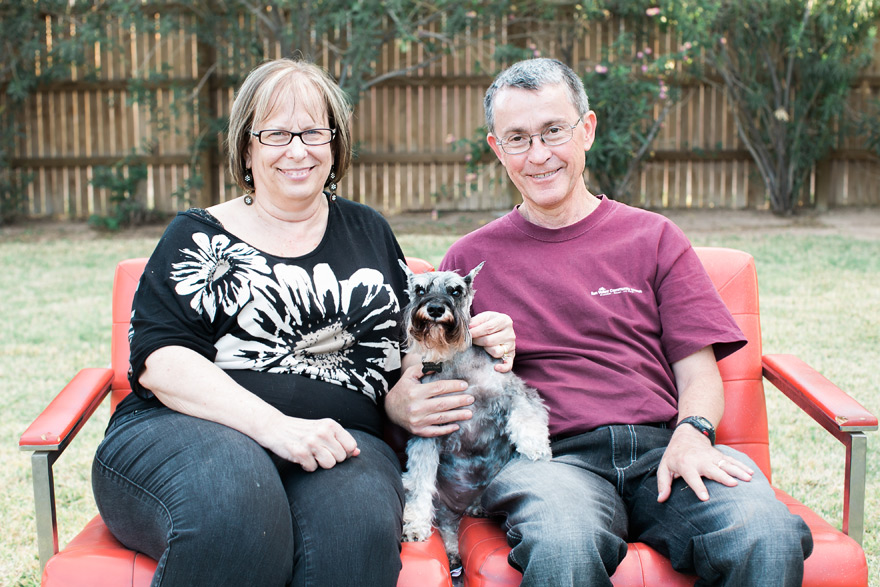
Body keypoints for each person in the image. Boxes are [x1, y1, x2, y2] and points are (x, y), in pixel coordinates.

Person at [91, 58, 514, 587]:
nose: (297, 150)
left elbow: (409, 345)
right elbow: (162, 361)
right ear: (246, 147)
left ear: (335, 144)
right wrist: (278, 428)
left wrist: (404, 397)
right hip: (189, 432)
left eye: (314, 132)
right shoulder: (197, 237)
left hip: (341, 442)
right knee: (237, 513)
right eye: (275, 133)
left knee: (355, 534)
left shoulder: (369, 231)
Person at [392, 57, 814, 586]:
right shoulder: (469, 262)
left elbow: (699, 373)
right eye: (518, 139)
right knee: (562, 541)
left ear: (587, 129)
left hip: (663, 450)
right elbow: (428, 367)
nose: (539, 154)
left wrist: (693, 433)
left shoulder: (654, 238)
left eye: (553, 130)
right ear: (498, 149)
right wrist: (407, 394)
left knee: (764, 533)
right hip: (552, 464)